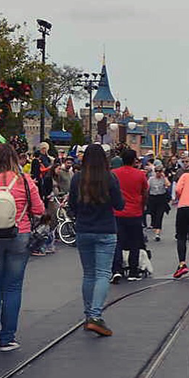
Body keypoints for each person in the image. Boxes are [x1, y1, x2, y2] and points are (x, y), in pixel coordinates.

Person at [0, 143, 45, 353]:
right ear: (14, 159)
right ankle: (7, 338)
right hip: (19, 234)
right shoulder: (25, 181)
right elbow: (39, 209)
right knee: (12, 286)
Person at [68, 144, 125, 337]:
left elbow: (72, 205)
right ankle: (95, 315)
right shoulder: (110, 178)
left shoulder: (77, 178)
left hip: (84, 229)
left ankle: (88, 315)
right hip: (105, 229)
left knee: (89, 274)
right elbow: (119, 205)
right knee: (102, 274)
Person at [110, 149, 148, 283]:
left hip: (117, 212)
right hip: (135, 212)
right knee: (134, 243)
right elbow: (145, 192)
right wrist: (142, 207)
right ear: (134, 160)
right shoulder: (140, 174)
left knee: (117, 242)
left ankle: (117, 270)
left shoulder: (114, 173)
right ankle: (133, 271)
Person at [147, 164, 171, 242]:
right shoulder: (151, 179)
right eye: (156, 171)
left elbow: (168, 185)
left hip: (161, 198)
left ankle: (157, 234)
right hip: (152, 198)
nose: (158, 173)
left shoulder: (163, 179)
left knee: (159, 216)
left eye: (159, 171)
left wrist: (164, 177)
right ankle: (155, 227)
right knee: (153, 215)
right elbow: (147, 188)